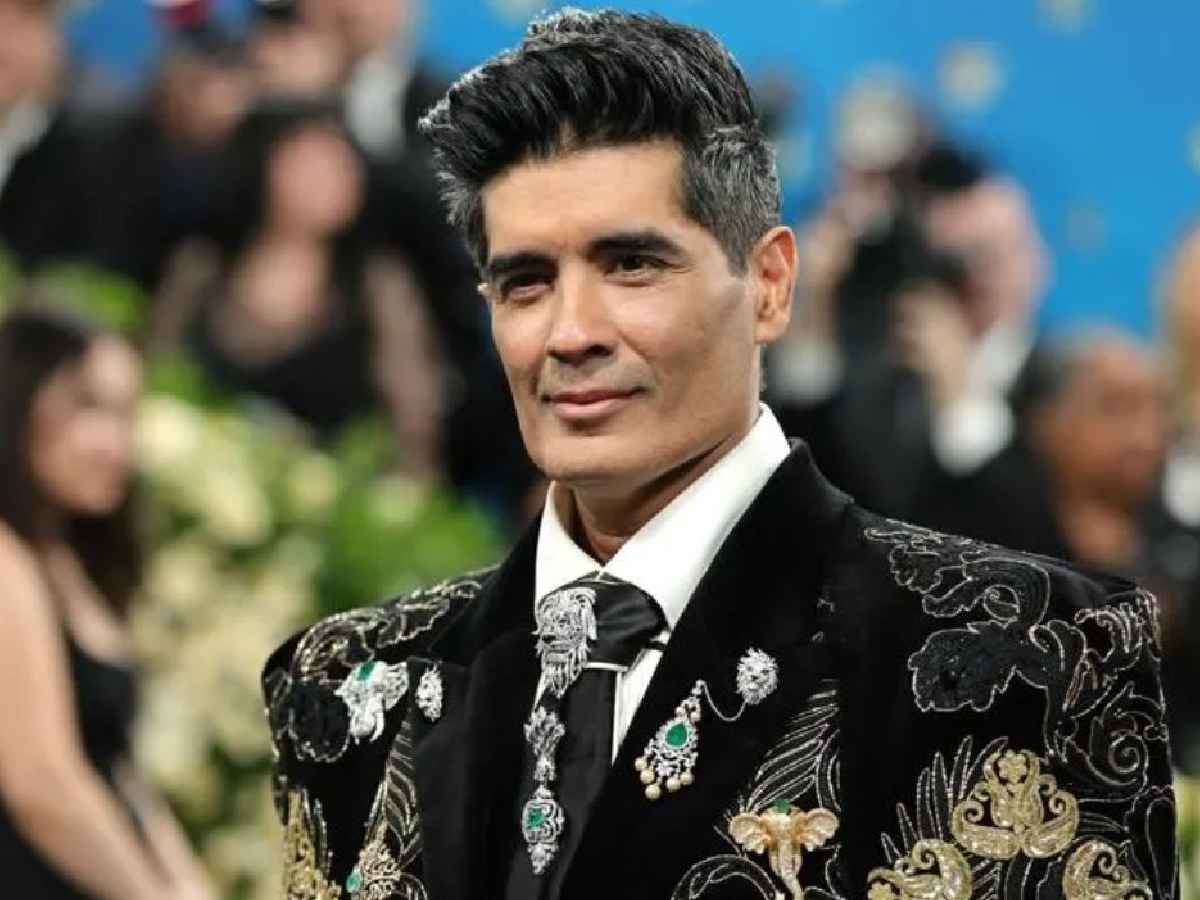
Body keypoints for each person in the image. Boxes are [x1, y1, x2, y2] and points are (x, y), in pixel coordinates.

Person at [262, 11, 1178, 900]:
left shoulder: (1029, 659)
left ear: (770, 286)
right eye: (526, 282)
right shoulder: (350, 684)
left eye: (632, 265)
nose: (571, 333)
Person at [0, 305, 215, 900]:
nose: (117, 445)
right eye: (90, 409)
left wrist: (185, 883)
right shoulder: (5, 561)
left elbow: (115, 768)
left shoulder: (65, 559)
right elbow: (44, 786)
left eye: (127, 415)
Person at [153, 100, 443, 476]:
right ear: (263, 166)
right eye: (311, 165)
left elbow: (414, 413)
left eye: (343, 165)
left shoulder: (375, 284)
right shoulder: (201, 270)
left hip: (337, 494)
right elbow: (158, 376)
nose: (333, 180)